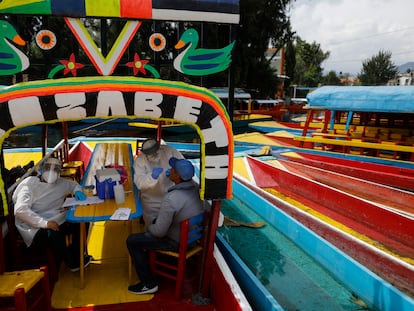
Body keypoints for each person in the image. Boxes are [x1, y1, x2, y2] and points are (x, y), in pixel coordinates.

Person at [127, 158, 204, 294]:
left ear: (177, 176)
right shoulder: (196, 187)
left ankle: (149, 283)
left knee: (133, 241)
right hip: (193, 237)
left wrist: (149, 225)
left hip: (176, 241)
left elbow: (159, 233)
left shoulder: (172, 198)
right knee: (157, 222)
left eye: (173, 170)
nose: (170, 171)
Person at [12, 157, 92, 272]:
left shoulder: (61, 183)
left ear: (59, 172)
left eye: (55, 169)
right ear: (41, 169)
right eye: (48, 168)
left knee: (81, 221)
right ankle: (72, 262)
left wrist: (77, 190)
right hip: (33, 225)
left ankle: (77, 255)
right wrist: (45, 223)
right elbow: (20, 210)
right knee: (54, 233)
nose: (51, 172)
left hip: (56, 218)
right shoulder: (29, 185)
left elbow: (73, 185)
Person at [133, 138, 184, 227]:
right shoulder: (140, 161)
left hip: (171, 195)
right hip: (151, 200)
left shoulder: (170, 151)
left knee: (172, 224)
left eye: (155, 152)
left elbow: (184, 165)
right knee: (152, 225)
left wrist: (177, 172)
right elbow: (139, 183)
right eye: (150, 154)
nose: (154, 155)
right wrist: (151, 177)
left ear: (159, 147)